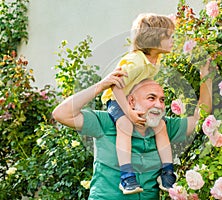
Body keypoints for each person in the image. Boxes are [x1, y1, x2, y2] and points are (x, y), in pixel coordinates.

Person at [52, 63, 212, 199]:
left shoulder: (163, 127)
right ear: (132, 102)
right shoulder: (107, 122)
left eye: (162, 100)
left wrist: (206, 77)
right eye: (151, 98)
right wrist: (102, 85)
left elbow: (198, 119)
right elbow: (61, 113)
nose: (159, 105)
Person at [100, 13, 176, 194]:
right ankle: (126, 177)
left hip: (130, 99)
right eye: (169, 36)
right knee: (125, 125)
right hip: (116, 98)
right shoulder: (136, 62)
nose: (173, 40)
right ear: (155, 38)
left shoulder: (154, 61)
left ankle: (167, 173)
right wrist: (128, 111)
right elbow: (115, 85)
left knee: (161, 126)